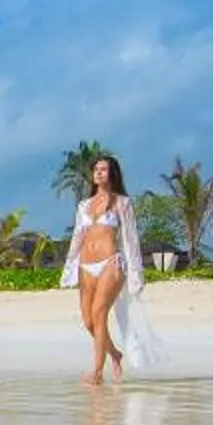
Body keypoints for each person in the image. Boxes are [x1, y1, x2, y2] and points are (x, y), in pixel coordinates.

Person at [58, 154, 165, 385]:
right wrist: (69, 266)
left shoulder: (122, 203)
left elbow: (131, 239)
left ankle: (97, 372)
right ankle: (115, 354)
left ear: (112, 173)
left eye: (104, 169)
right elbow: (77, 237)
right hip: (86, 265)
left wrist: (136, 273)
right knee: (88, 321)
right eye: (96, 169)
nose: (98, 173)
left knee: (99, 314)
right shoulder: (84, 205)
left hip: (111, 263)